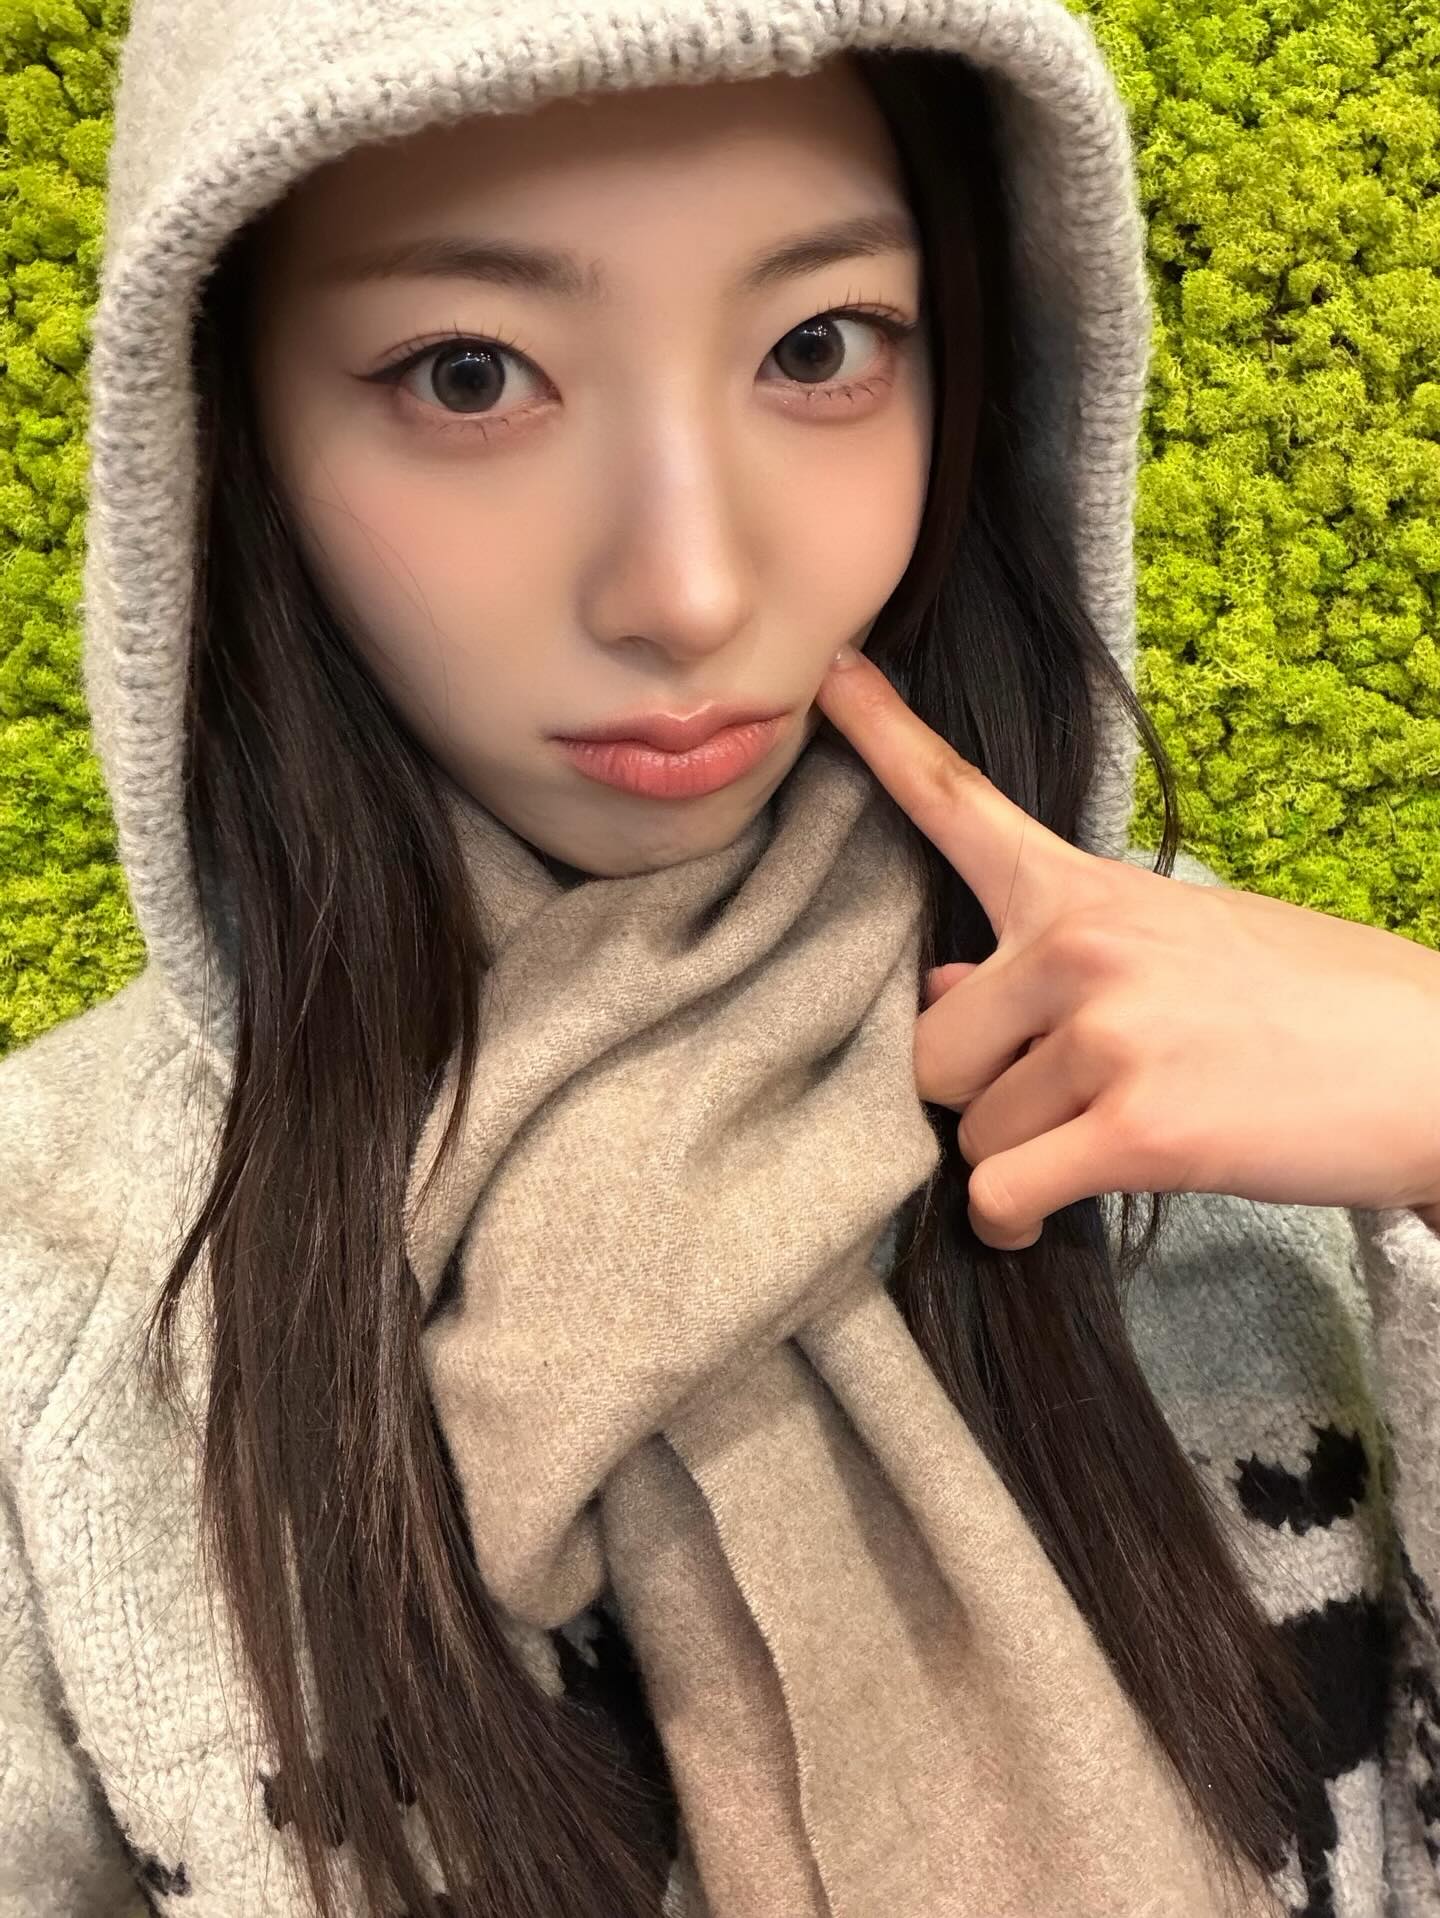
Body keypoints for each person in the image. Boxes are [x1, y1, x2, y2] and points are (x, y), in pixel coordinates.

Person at [2, 2, 1438, 1916]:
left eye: (820, 347)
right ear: (220, 424)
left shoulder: (1227, 1076)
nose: (688, 590)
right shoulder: (52, 1298)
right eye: (467, 374)